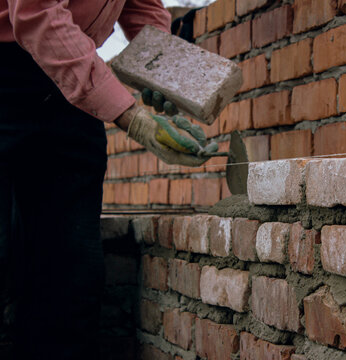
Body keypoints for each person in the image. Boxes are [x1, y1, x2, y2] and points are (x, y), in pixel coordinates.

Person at [0, 1, 210, 358]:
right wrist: (132, 117)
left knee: (70, 272)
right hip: (12, 63)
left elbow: (141, 7)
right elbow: (37, 15)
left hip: (67, 80)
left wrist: (165, 68)